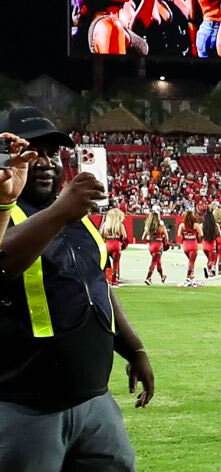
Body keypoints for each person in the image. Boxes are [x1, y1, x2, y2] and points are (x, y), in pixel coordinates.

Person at [0, 109, 154, 471]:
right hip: (27, 404)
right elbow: (3, 264)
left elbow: (98, 286)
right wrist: (61, 211)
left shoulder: (73, 214)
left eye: (54, 153)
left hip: (93, 398)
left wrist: (135, 349)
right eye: (32, 152)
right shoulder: (8, 211)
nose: (47, 163)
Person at [101, 206, 127, 287]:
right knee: (116, 263)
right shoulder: (120, 225)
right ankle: (115, 280)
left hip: (107, 244)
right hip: (116, 244)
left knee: (105, 262)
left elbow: (101, 234)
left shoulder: (105, 225)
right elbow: (125, 236)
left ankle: (106, 278)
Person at [143, 209, 169, 285]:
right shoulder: (161, 227)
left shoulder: (148, 227)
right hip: (158, 245)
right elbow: (167, 238)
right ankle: (148, 277)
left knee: (158, 262)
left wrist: (150, 242)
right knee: (154, 262)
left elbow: (143, 238)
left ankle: (162, 276)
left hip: (151, 246)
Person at [178, 209, 201, 285]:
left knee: (191, 261)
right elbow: (201, 234)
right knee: (191, 261)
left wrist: (185, 235)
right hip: (193, 244)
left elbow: (179, 235)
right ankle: (188, 277)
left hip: (185, 245)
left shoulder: (182, 225)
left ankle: (192, 276)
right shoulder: (196, 225)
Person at [201, 204, 220, 278]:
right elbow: (217, 234)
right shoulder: (214, 226)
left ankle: (209, 270)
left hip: (204, 243)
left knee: (208, 259)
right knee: (212, 260)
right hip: (211, 243)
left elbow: (200, 234)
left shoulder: (202, 225)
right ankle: (209, 271)